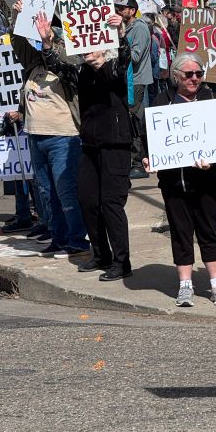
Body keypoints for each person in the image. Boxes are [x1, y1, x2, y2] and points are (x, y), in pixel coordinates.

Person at [142, 52, 216, 307]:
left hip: (206, 182)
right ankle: (185, 286)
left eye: (199, 74)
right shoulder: (162, 102)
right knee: (181, 233)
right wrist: (148, 158)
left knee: (209, 232)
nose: (195, 79)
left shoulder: (213, 99)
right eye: (189, 74)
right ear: (176, 76)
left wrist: (213, 160)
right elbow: (150, 139)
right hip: (174, 184)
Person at [11, 3, 90, 258]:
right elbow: (19, 44)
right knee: (46, 193)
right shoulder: (33, 66)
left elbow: (63, 63)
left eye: (49, 34)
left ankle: (76, 239)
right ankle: (59, 238)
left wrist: (48, 43)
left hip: (63, 137)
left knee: (66, 192)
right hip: (36, 137)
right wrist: (17, 17)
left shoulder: (69, 64)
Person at [76, 14, 133, 280]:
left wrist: (120, 35)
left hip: (115, 145)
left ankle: (122, 263)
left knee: (111, 203)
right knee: (88, 200)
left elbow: (124, 62)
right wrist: (46, 41)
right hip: (90, 145)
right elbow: (55, 64)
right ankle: (101, 255)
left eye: (92, 44)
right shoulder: (82, 72)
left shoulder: (113, 69)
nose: (87, 49)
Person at [115, 0, 153, 178]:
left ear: (132, 10)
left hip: (136, 80)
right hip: (126, 80)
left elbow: (135, 57)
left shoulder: (139, 28)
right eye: (117, 7)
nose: (119, 10)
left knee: (134, 119)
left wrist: (119, 44)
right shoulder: (125, 27)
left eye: (122, 8)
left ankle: (138, 161)